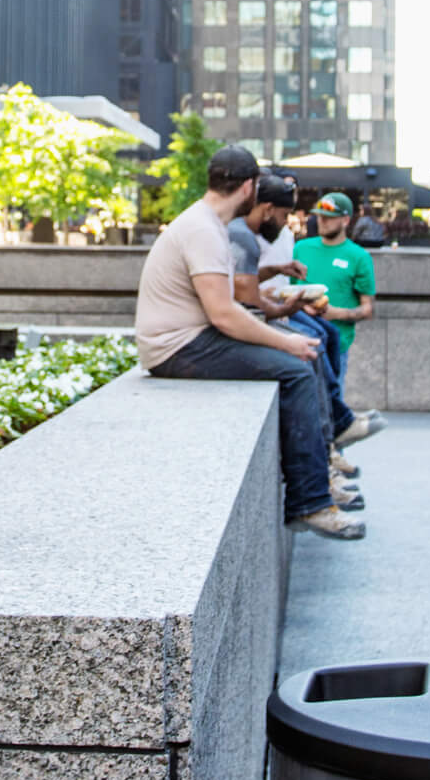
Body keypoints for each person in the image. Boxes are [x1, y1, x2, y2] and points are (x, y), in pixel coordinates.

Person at [135, 145, 362, 540]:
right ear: (248, 187)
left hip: (188, 339)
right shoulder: (204, 230)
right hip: (179, 347)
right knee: (297, 367)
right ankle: (309, 504)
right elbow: (224, 314)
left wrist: (284, 338)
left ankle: (317, 486)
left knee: (303, 357)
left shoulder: (207, 224)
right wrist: (284, 343)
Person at [227, 175, 363, 514]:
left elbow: (243, 294)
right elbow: (242, 303)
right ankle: (312, 491)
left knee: (314, 347)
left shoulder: (244, 233)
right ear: (265, 205)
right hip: (229, 329)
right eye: (286, 213)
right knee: (303, 360)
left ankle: (325, 463)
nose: (291, 221)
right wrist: (284, 321)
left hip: (251, 318)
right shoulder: (239, 234)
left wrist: (278, 287)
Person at [294, 191, 384, 452]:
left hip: (337, 344)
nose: (323, 222)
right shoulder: (300, 249)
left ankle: (335, 465)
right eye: (320, 217)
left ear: (345, 220)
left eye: (330, 218)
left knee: (332, 408)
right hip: (301, 339)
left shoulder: (358, 257)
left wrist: (337, 313)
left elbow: (368, 308)